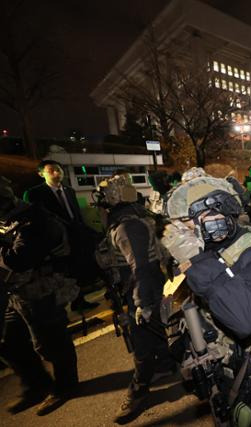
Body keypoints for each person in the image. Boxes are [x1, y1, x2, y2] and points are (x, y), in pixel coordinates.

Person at [160, 168, 251, 427]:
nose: (179, 231)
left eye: (184, 225)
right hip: (228, 362)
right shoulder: (216, 245)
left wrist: (195, 257)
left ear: (214, 215)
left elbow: (245, 317)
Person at [94, 174, 171, 424]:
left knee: (140, 345)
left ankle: (138, 391)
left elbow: (141, 267)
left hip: (142, 288)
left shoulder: (127, 226)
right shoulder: (134, 218)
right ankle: (166, 365)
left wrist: (141, 304)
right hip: (145, 286)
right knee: (157, 332)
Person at [0, 176, 79, 416]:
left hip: (41, 289)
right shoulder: (7, 220)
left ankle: (66, 386)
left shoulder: (33, 218)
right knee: (8, 343)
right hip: (16, 293)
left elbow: (20, 259)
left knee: (51, 342)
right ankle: (36, 385)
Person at [24, 159, 100, 311]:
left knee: (76, 269)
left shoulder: (69, 190)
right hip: (56, 242)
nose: (57, 173)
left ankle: (79, 300)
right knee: (60, 273)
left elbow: (76, 214)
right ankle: (59, 306)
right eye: (51, 170)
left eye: (59, 169)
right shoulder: (34, 194)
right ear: (41, 174)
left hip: (75, 237)